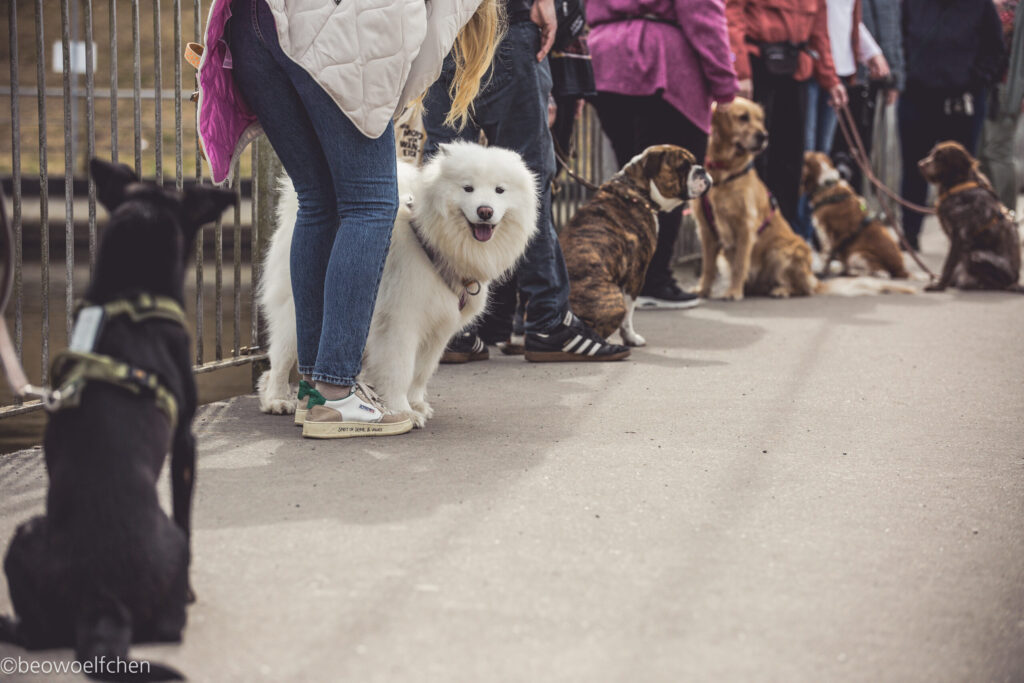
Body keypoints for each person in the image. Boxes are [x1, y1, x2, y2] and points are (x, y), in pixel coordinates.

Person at [196, 0, 500, 436]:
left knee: (318, 202)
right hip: (340, 33)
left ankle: (314, 390)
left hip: (251, 23)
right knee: (372, 204)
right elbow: (413, 54)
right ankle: (336, 392)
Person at [424, 0, 633, 362]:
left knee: (443, 178)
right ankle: (547, 321)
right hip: (504, 19)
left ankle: (448, 325)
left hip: (438, 24)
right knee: (528, 180)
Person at [587, 0, 739, 308]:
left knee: (632, 182)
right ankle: (652, 281)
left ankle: (629, 278)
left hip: (606, 61)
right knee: (670, 182)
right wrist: (724, 83)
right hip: (662, 67)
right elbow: (703, 16)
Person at [725, 0, 847, 226]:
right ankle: (751, 236)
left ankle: (783, 235)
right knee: (756, 159)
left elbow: (819, 31)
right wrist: (740, 70)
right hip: (757, 67)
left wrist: (830, 79)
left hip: (796, 69)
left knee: (792, 160)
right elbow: (732, 16)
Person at [898, 0, 1006, 251]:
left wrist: (976, 80)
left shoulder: (980, 6)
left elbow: (996, 50)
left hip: (963, 100)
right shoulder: (911, 4)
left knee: (961, 174)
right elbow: (899, 38)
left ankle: (965, 239)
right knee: (915, 167)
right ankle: (910, 234)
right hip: (917, 96)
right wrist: (907, 73)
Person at [795, 0, 888, 242]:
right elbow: (817, 20)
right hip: (812, 69)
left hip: (840, 72)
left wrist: (872, 52)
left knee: (822, 159)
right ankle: (799, 236)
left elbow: (846, 17)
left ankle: (814, 235)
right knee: (804, 158)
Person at [979, 0, 1024, 211]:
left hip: (1008, 87)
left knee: (998, 151)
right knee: (979, 153)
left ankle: (1007, 215)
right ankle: (989, 213)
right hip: (980, 84)